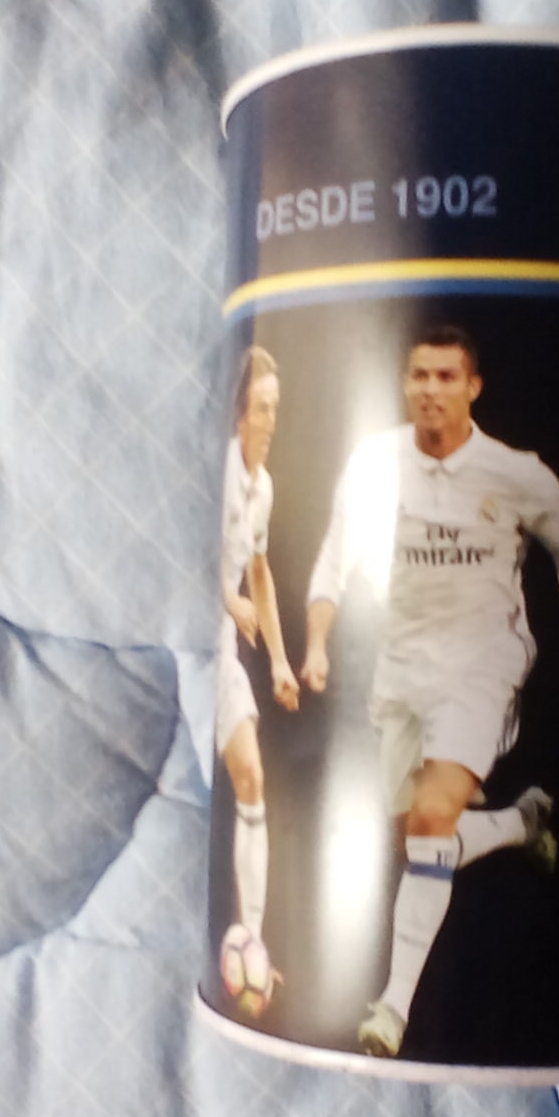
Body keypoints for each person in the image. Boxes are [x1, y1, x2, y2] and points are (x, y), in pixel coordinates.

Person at [301, 324, 559, 1057]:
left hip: (483, 665)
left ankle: (392, 1009)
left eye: (446, 377)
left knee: (431, 819)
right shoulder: (374, 460)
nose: (431, 390)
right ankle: (519, 824)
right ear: (404, 385)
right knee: (413, 840)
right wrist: (316, 643)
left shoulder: (516, 473)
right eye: (420, 376)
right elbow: (334, 558)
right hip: (401, 671)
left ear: (473, 388)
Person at [216, 345, 300, 1007]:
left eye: (276, 409)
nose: (271, 422)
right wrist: (227, 597)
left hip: (221, 649)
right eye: (262, 408)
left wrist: (278, 660)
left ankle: (253, 942)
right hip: (188, 644)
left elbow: (261, 575)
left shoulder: (262, 487)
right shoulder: (212, 471)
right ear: (239, 412)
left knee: (251, 775)